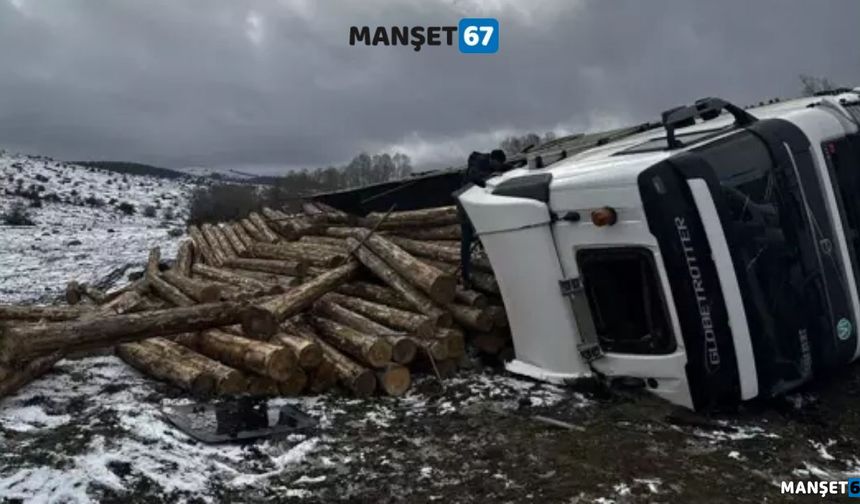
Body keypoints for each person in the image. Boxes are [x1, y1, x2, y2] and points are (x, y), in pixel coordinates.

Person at [454, 149, 512, 287]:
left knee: (483, 233)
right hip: (464, 202)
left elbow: (503, 167)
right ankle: (465, 275)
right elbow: (476, 176)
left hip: (477, 202)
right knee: (467, 238)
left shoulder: (492, 163)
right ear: (492, 160)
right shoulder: (479, 163)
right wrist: (490, 176)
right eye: (497, 165)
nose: (498, 168)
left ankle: (485, 263)